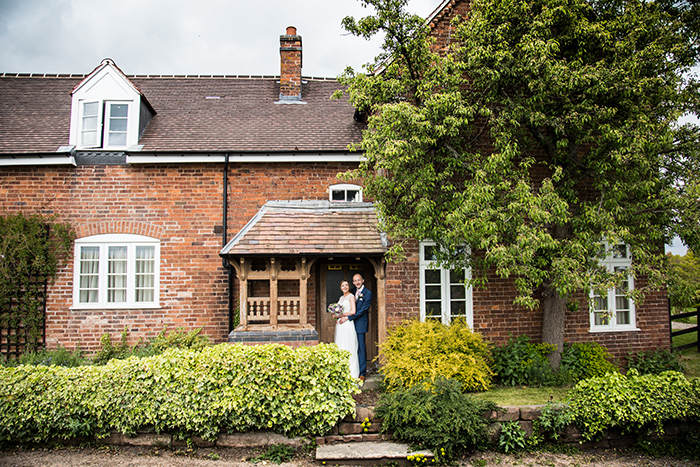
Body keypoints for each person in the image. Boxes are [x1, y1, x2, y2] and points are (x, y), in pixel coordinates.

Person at [342, 273, 372, 382]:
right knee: (351, 346)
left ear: (363, 280)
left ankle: (362, 373)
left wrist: (348, 318)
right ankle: (351, 369)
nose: (357, 282)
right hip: (349, 325)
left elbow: (362, 310)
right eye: (355, 281)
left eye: (359, 280)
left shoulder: (368, 293)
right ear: (353, 282)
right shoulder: (352, 292)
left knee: (361, 347)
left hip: (360, 324)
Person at [334, 279, 360, 379]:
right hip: (340, 325)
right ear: (340, 288)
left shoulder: (351, 297)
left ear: (349, 287)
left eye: (346, 285)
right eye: (342, 286)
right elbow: (337, 309)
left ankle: (351, 373)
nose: (344, 287)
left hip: (348, 324)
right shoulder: (341, 298)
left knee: (349, 345)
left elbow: (353, 311)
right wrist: (336, 315)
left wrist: (342, 315)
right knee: (341, 345)